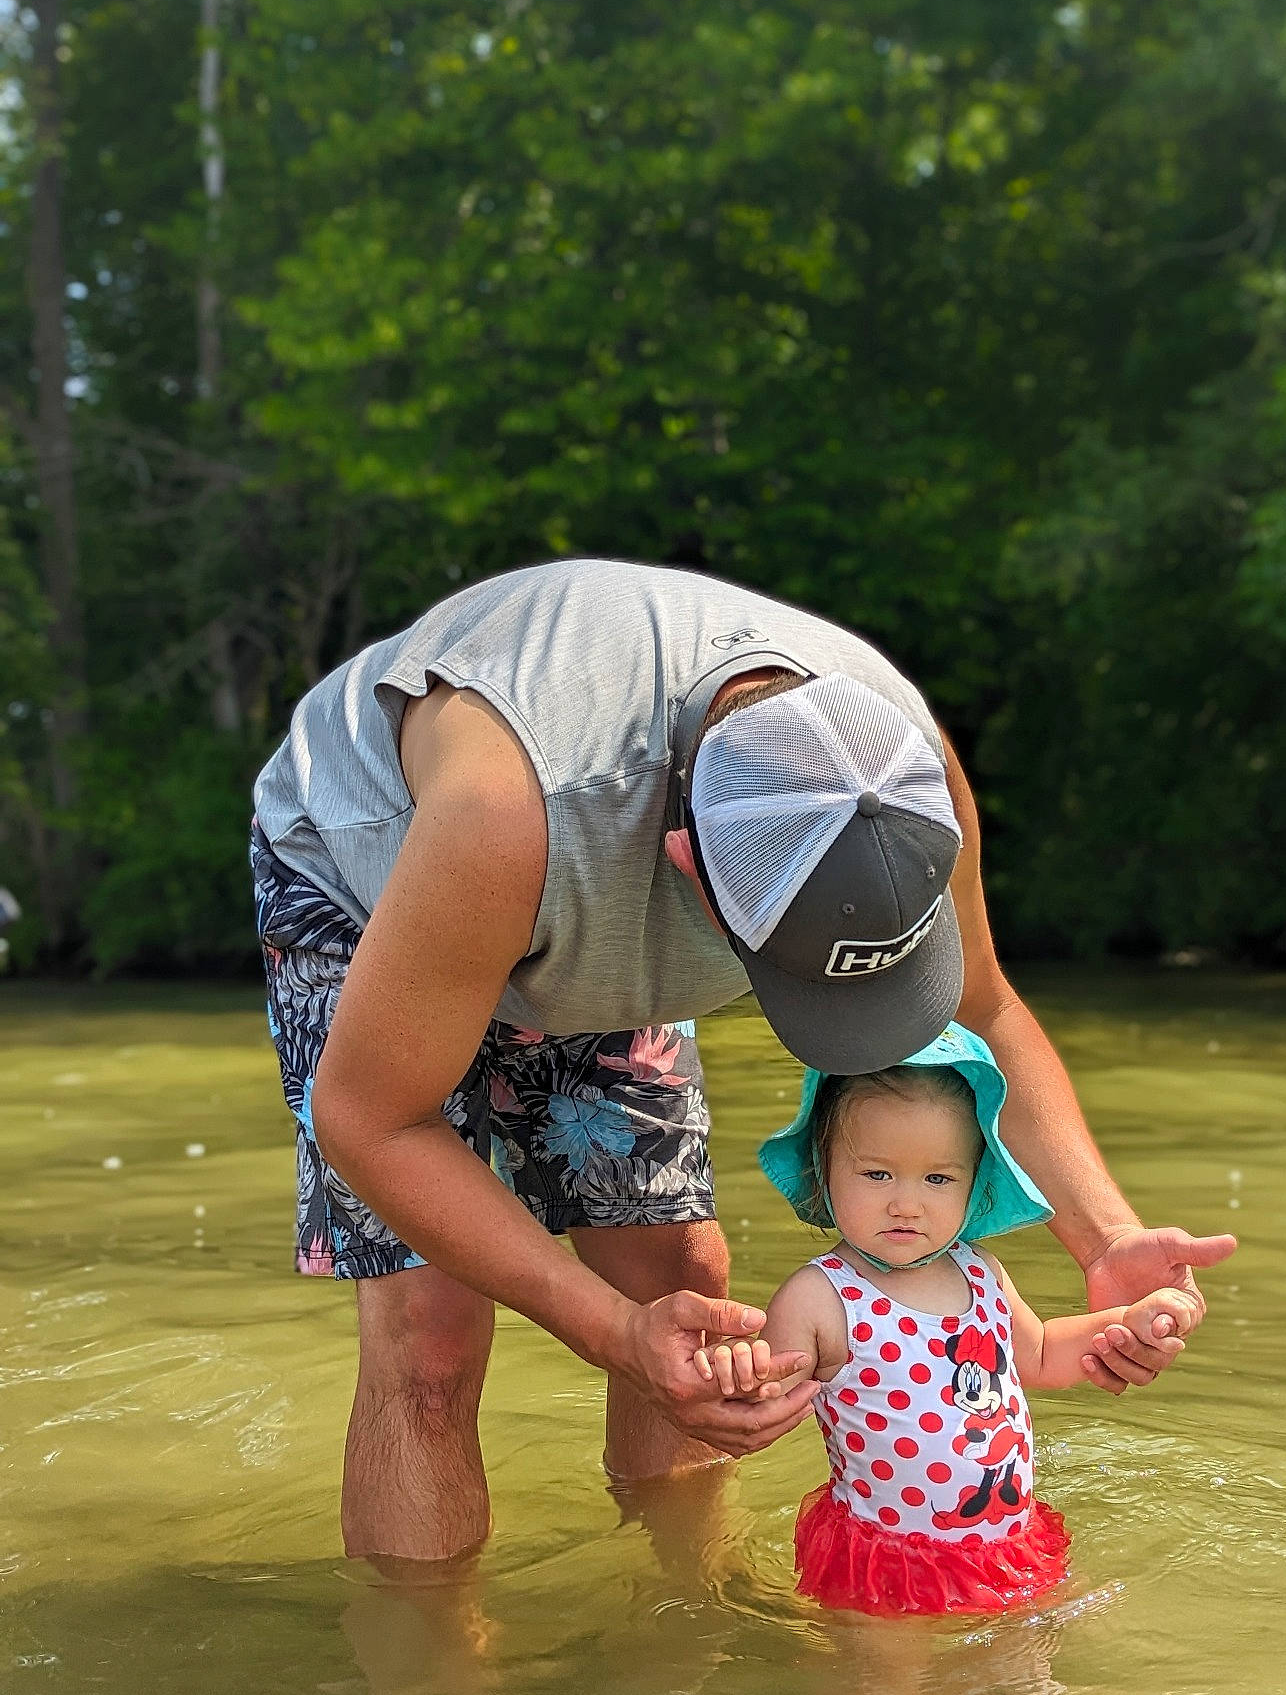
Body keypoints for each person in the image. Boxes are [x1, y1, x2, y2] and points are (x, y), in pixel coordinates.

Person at [252, 557, 1233, 1562]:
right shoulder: (510, 815)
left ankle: (680, 1630)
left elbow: (983, 1007)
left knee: (682, 1282)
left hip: (572, 861)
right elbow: (373, 1119)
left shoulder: (902, 776)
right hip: (367, 867)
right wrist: (607, 1334)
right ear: (686, 871)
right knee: (433, 1335)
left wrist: (1104, 1235)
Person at [694, 1024, 1197, 1615]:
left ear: (974, 1182)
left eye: (938, 1178)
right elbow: (766, 1400)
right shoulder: (820, 1297)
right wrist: (741, 1371)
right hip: (889, 1560)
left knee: (1027, 1692)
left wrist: (1129, 1321)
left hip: (1005, 1542)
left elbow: (1039, 1355)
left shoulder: (979, 1271)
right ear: (822, 1169)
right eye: (877, 1173)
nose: (907, 1202)